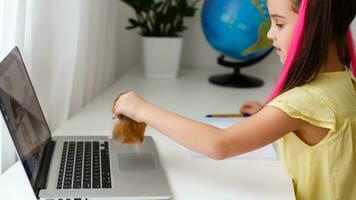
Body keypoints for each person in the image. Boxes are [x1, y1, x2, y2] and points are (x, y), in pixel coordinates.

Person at [113, 0, 356, 199]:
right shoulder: (346, 81)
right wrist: (269, 116)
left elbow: (219, 144)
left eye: (280, 24)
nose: (270, 33)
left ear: (316, 27)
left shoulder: (303, 101)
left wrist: (141, 109)